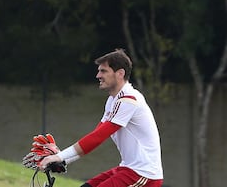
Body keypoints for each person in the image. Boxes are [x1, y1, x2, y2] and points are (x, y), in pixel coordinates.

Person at [40, 49, 164, 187]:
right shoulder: (113, 100)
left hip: (143, 174)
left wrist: (59, 156)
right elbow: (96, 134)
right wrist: (62, 160)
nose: (98, 75)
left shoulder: (129, 100)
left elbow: (98, 137)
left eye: (103, 71)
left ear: (120, 74)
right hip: (129, 169)